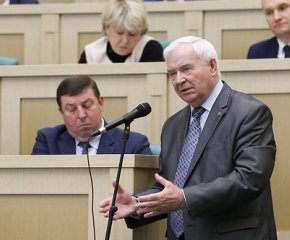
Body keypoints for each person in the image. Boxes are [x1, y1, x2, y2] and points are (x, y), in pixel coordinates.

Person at [99, 36, 277, 240]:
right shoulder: (173, 125)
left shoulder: (249, 113)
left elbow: (249, 178)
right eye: (172, 73)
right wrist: (137, 203)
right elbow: (169, 185)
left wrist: (184, 198)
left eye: (186, 69)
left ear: (212, 66)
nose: (178, 80)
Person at [32, 75, 152, 155]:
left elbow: (149, 190)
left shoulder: (133, 144)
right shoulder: (48, 141)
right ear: (62, 112)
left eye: (87, 105)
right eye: (72, 109)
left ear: (100, 103)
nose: (81, 115)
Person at [78, 0, 164, 64]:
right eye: (119, 33)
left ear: (141, 32)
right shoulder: (91, 53)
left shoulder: (151, 49)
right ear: (106, 27)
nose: (125, 41)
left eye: (132, 34)